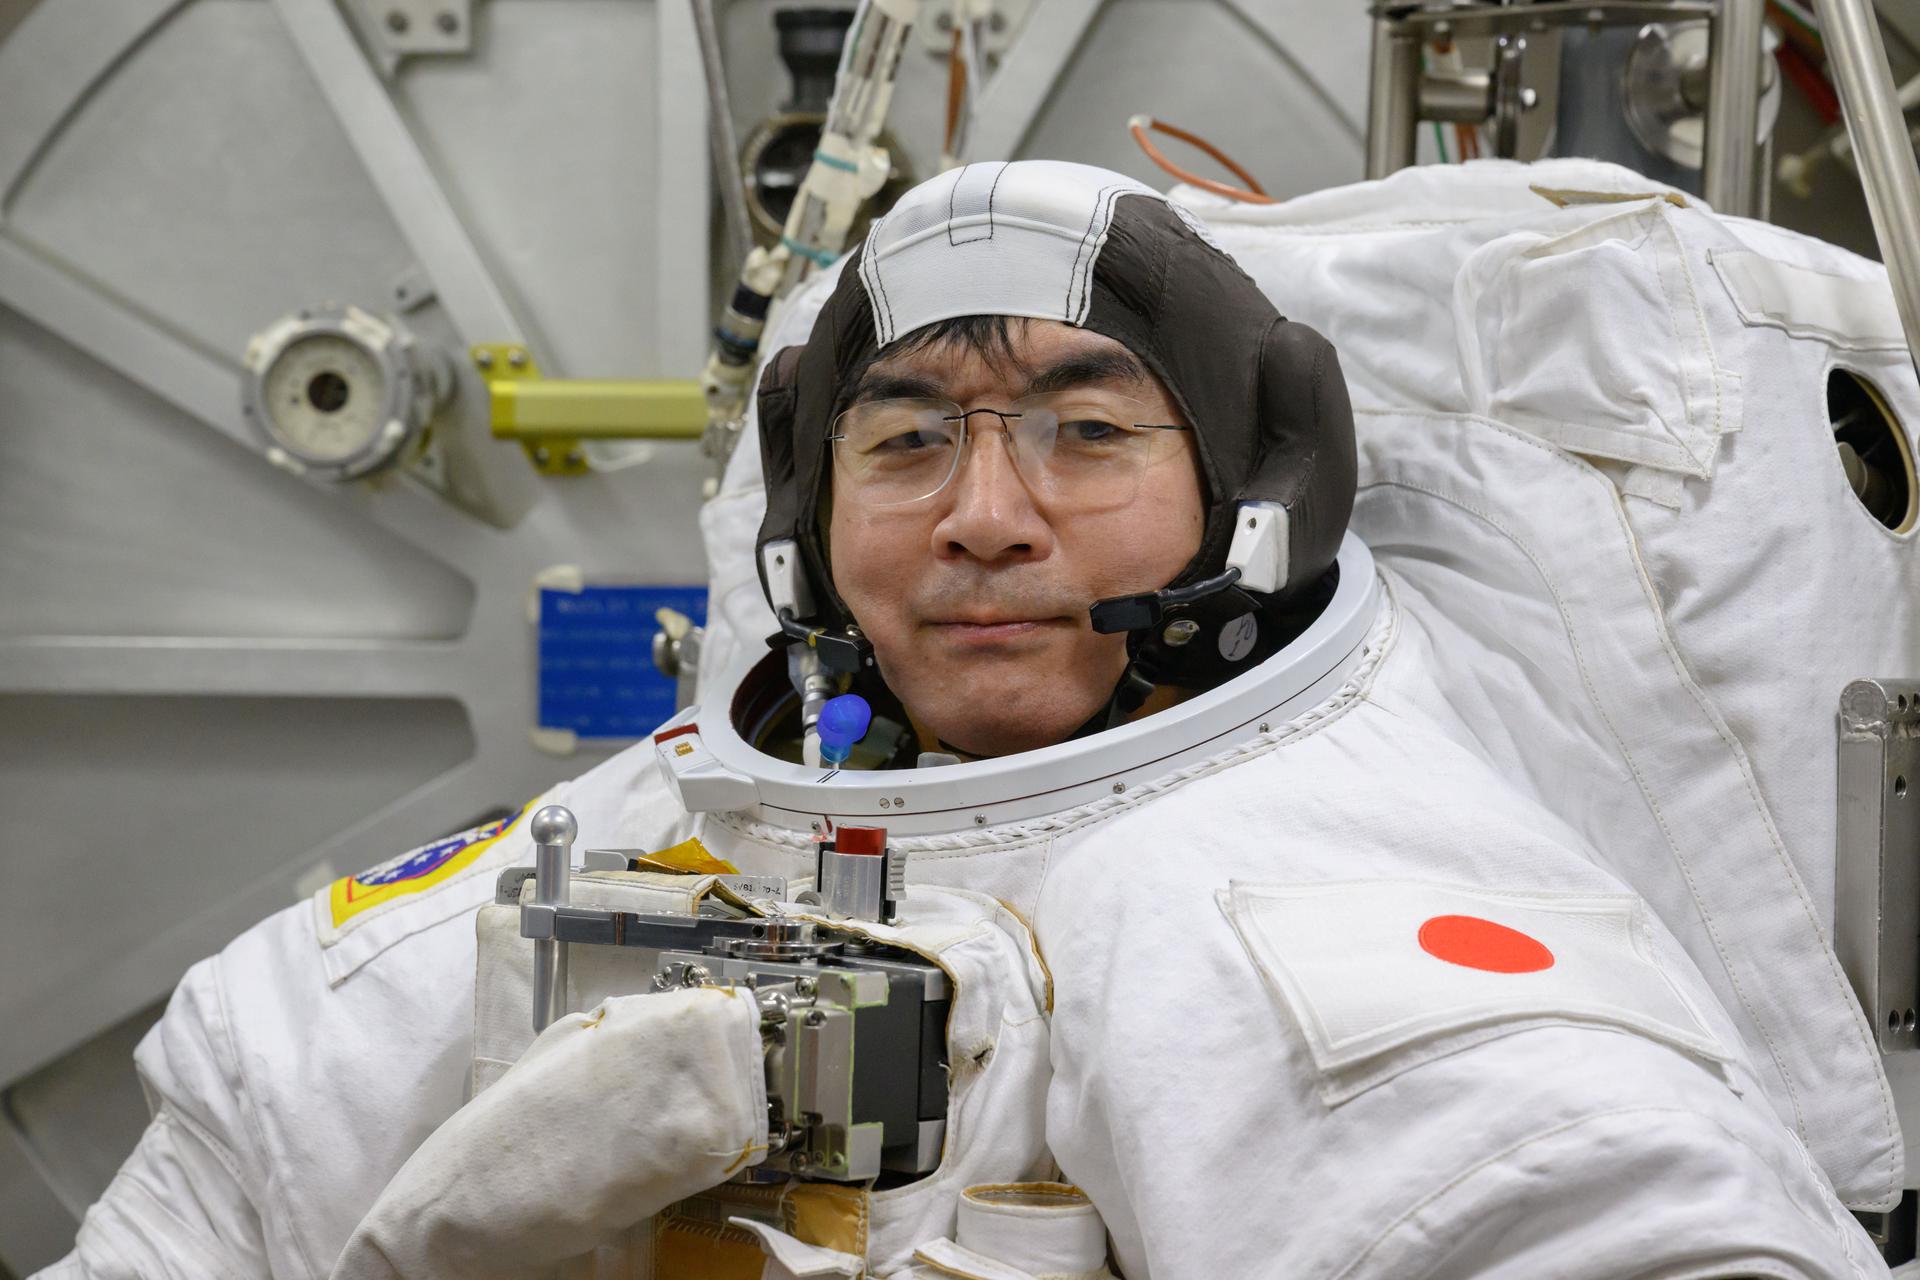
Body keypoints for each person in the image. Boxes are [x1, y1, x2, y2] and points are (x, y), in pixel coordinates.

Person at [41, 161, 1891, 1279]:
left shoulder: (1338, 920)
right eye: (908, 436)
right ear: (807, 518)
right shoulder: (557, 883)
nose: (983, 515)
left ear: (1260, 494)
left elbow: (1564, 1201)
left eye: (1088, 432)